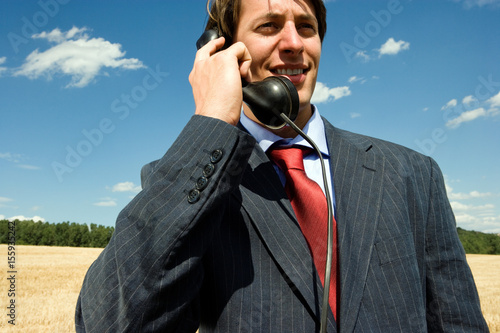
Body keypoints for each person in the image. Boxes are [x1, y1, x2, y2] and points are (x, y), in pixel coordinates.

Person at [75, 0, 489, 332]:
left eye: (306, 27)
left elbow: (459, 322)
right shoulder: (192, 181)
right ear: (220, 49)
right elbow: (111, 323)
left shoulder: (413, 174)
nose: (294, 43)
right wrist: (214, 120)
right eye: (269, 26)